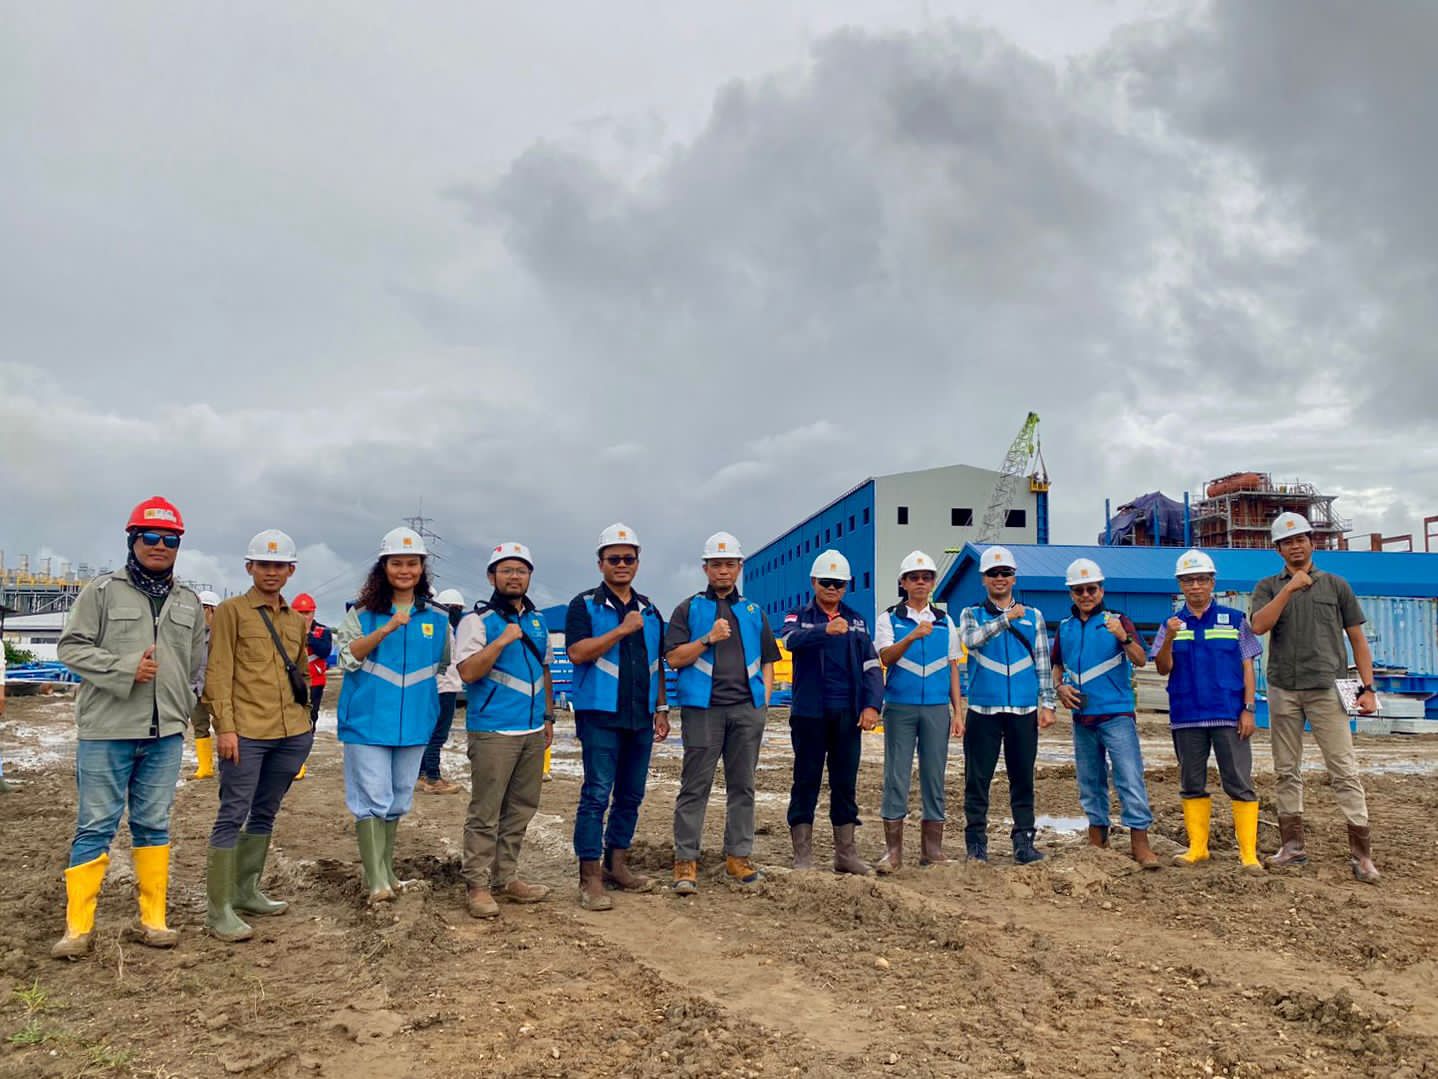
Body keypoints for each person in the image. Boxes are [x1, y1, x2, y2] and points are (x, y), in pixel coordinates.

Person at [51, 496, 206, 958]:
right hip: (107, 730)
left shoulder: (188, 601)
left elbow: (196, 665)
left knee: (153, 825)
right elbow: (70, 648)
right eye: (151, 537)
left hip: (164, 735)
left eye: (170, 540)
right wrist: (123, 669)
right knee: (95, 826)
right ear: (133, 540)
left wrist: (184, 704)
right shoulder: (101, 592)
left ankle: (152, 920)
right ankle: (78, 929)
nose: (160, 546)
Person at [1250, 513, 1380, 883]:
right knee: (1286, 769)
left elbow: (1357, 640)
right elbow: (1258, 626)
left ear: (1312, 542)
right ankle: (1292, 847)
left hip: (1328, 689)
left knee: (1344, 769)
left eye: (1301, 539)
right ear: (1277, 549)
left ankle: (1362, 856)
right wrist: (1289, 589)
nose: (1295, 546)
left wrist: (1368, 689)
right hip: (1283, 688)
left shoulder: (1336, 586)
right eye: (1287, 542)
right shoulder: (1267, 587)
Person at [202, 529, 314, 942]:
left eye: (279, 566)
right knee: (232, 813)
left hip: (290, 732)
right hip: (246, 732)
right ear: (249, 567)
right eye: (264, 565)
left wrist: (305, 723)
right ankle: (219, 909)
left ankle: (246, 891)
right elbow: (218, 671)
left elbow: (301, 671)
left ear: (291, 571)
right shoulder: (231, 611)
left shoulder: (294, 620)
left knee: (266, 811)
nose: (271, 572)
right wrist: (225, 727)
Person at [333, 527, 451, 904]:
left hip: (414, 722)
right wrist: (386, 628)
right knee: (372, 797)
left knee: (399, 797)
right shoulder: (361, 614)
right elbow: (348, 658)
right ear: (383, 567)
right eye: (396, 563)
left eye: (412, 563)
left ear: (421, 567)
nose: (404, 570)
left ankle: (387, 869)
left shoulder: (438, 618)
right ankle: (375, 880)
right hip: (367, 722)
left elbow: (441, 664)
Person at [665, 532, 779, 894]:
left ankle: (738, 856)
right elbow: (673, 658)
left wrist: (762, 703)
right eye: (716, 564)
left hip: (746, 710)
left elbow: (769, 660)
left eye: (730, 564)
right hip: (703, 711)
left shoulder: (753, 612)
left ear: (739, 567)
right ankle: (686, 859)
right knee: (695, 786)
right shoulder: (688, 610)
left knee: (743, 786)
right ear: (706, 568)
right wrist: (707, 639)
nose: (723, 571)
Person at [565, 523, 670, 911]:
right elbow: (577, 653)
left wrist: (661, 708)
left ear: (637, 562)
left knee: (631, 794)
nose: (621, 564)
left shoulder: (650, 610)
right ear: (601, 563)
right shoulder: (585, 605)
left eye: (628, 558)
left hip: (640, 716)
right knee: (596, 794)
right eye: (614, 559)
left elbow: (657, 664)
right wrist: (622, 630)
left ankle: (616, 864)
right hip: (599, 715)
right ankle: (590, 876)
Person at [455, 544, 553, 917]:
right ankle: (477, 885)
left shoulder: (538, 621)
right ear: (491, 576)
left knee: (521, 808)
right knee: (486, 811)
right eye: (506, 570)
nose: (514, 577)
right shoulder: (477, 621)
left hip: (531, 729)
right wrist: (499, 642)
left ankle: (506, 877)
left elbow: (544, 669)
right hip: (493, 730)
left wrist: (548, 717)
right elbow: (468, 672)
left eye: (521, 570)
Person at [1150, 550, 1264, 873]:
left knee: (1239, 781)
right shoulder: (1170, 624)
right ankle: (1197, 848)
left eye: (1201, 579)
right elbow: (1162, 667)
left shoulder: (1235, 620)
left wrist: (1249, 709)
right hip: (1187, 714)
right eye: (1188, 580)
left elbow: (1248, 667)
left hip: (1229, 713)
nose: (1195, 586)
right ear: (1180, 585)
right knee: (1191, 782)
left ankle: (1248, 854)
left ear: (1212, 582)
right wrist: (1169, 638)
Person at [779, 549, 883, 875]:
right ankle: (802, 856)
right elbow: (790, 641)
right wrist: (824, 631)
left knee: (844, 783)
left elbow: (871, 665)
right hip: (809, 713)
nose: (832, 588)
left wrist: (871, 705)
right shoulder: (799, 615)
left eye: (839, 583)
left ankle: (845, 854)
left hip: (847, 715)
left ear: (846, 586)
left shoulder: (857, 621)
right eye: (826, 582)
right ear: (813, 582)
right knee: (805, 780)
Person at [1051, 558, 1158, 869]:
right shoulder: (1066, 628)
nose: (1086, 595)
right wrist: (1059, 687)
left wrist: (1123, 636)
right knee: (1090, 780)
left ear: (1101, 589)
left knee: (1129, 776)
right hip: (1082, 717)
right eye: (1079, 590)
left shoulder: (1118, 621)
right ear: (1071, 593)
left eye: (1091, 589)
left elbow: (1140, 659)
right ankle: (1097, 836)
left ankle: (1140, 842)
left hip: (1116, 715)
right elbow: (1057, 665)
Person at [957, 545, 1058, 864]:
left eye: (1005, 573)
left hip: (1023, 710)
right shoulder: (971, 614)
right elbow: (970, 641)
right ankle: (976, 843)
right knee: (977, 779)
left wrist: (1048, 703)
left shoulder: (1034, 616)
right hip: (983, 710)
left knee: (1023, 778)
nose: (999, 578)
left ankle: (1024, 841)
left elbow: (1043, 662)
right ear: (983, 579)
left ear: (1014, 578)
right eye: (993, 573)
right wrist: (1004, 619)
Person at [872, 550, 963, 871]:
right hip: (900, 707)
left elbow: (953, 667)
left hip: (936, 708)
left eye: (926, 578)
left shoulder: (945, 621)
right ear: (903, 582)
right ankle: (893, 852)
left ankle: (932, 850)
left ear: (933, 583)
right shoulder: (889, 618)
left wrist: (958, 712)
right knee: (896, 776)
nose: (920, 583)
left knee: (934, 776)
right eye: (914, 578)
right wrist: (912, 635)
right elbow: (885, 657)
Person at [418, 588, 465, 795]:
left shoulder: (440, 625)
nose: (457, 612)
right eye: (455, 608)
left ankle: (422, 774)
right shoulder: (441, 626)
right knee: (437, 734)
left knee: (429, 733)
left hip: (441, 685)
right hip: (443, 686)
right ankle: (433, 777)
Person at [289, 592, 329, 781]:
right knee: (292, 719)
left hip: (315, 683)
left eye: (307, 612)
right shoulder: (285, 629)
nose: (304, 616)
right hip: (292, 682)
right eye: (300, 612)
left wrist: (307, 636)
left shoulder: (322, 631)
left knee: (310, 719)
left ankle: (300, 762)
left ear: (313, 613)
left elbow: (325, 651)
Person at [189, 590, 222, 780]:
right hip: (195, 688)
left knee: (223, 726)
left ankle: (228, 764)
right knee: (200, 726)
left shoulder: (222, 635)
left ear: (211, 610)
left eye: (201, 609)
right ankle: (205, 766)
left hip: (216, 689)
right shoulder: (192, 635)